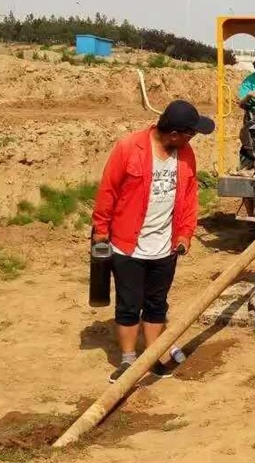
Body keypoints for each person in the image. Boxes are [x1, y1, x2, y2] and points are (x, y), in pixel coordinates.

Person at [92, 100, 214, 383]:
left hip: (165, 246)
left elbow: (188, 198)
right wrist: (101, 230)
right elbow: (108, 190)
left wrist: (184, 233)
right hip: (127, 243)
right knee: (128, 304)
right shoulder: (128, 148)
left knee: (157, 304)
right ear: (174, 134)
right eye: (190, 134)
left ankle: (153, 353)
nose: (191, 140)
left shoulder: (186, 155)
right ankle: (128, 361)